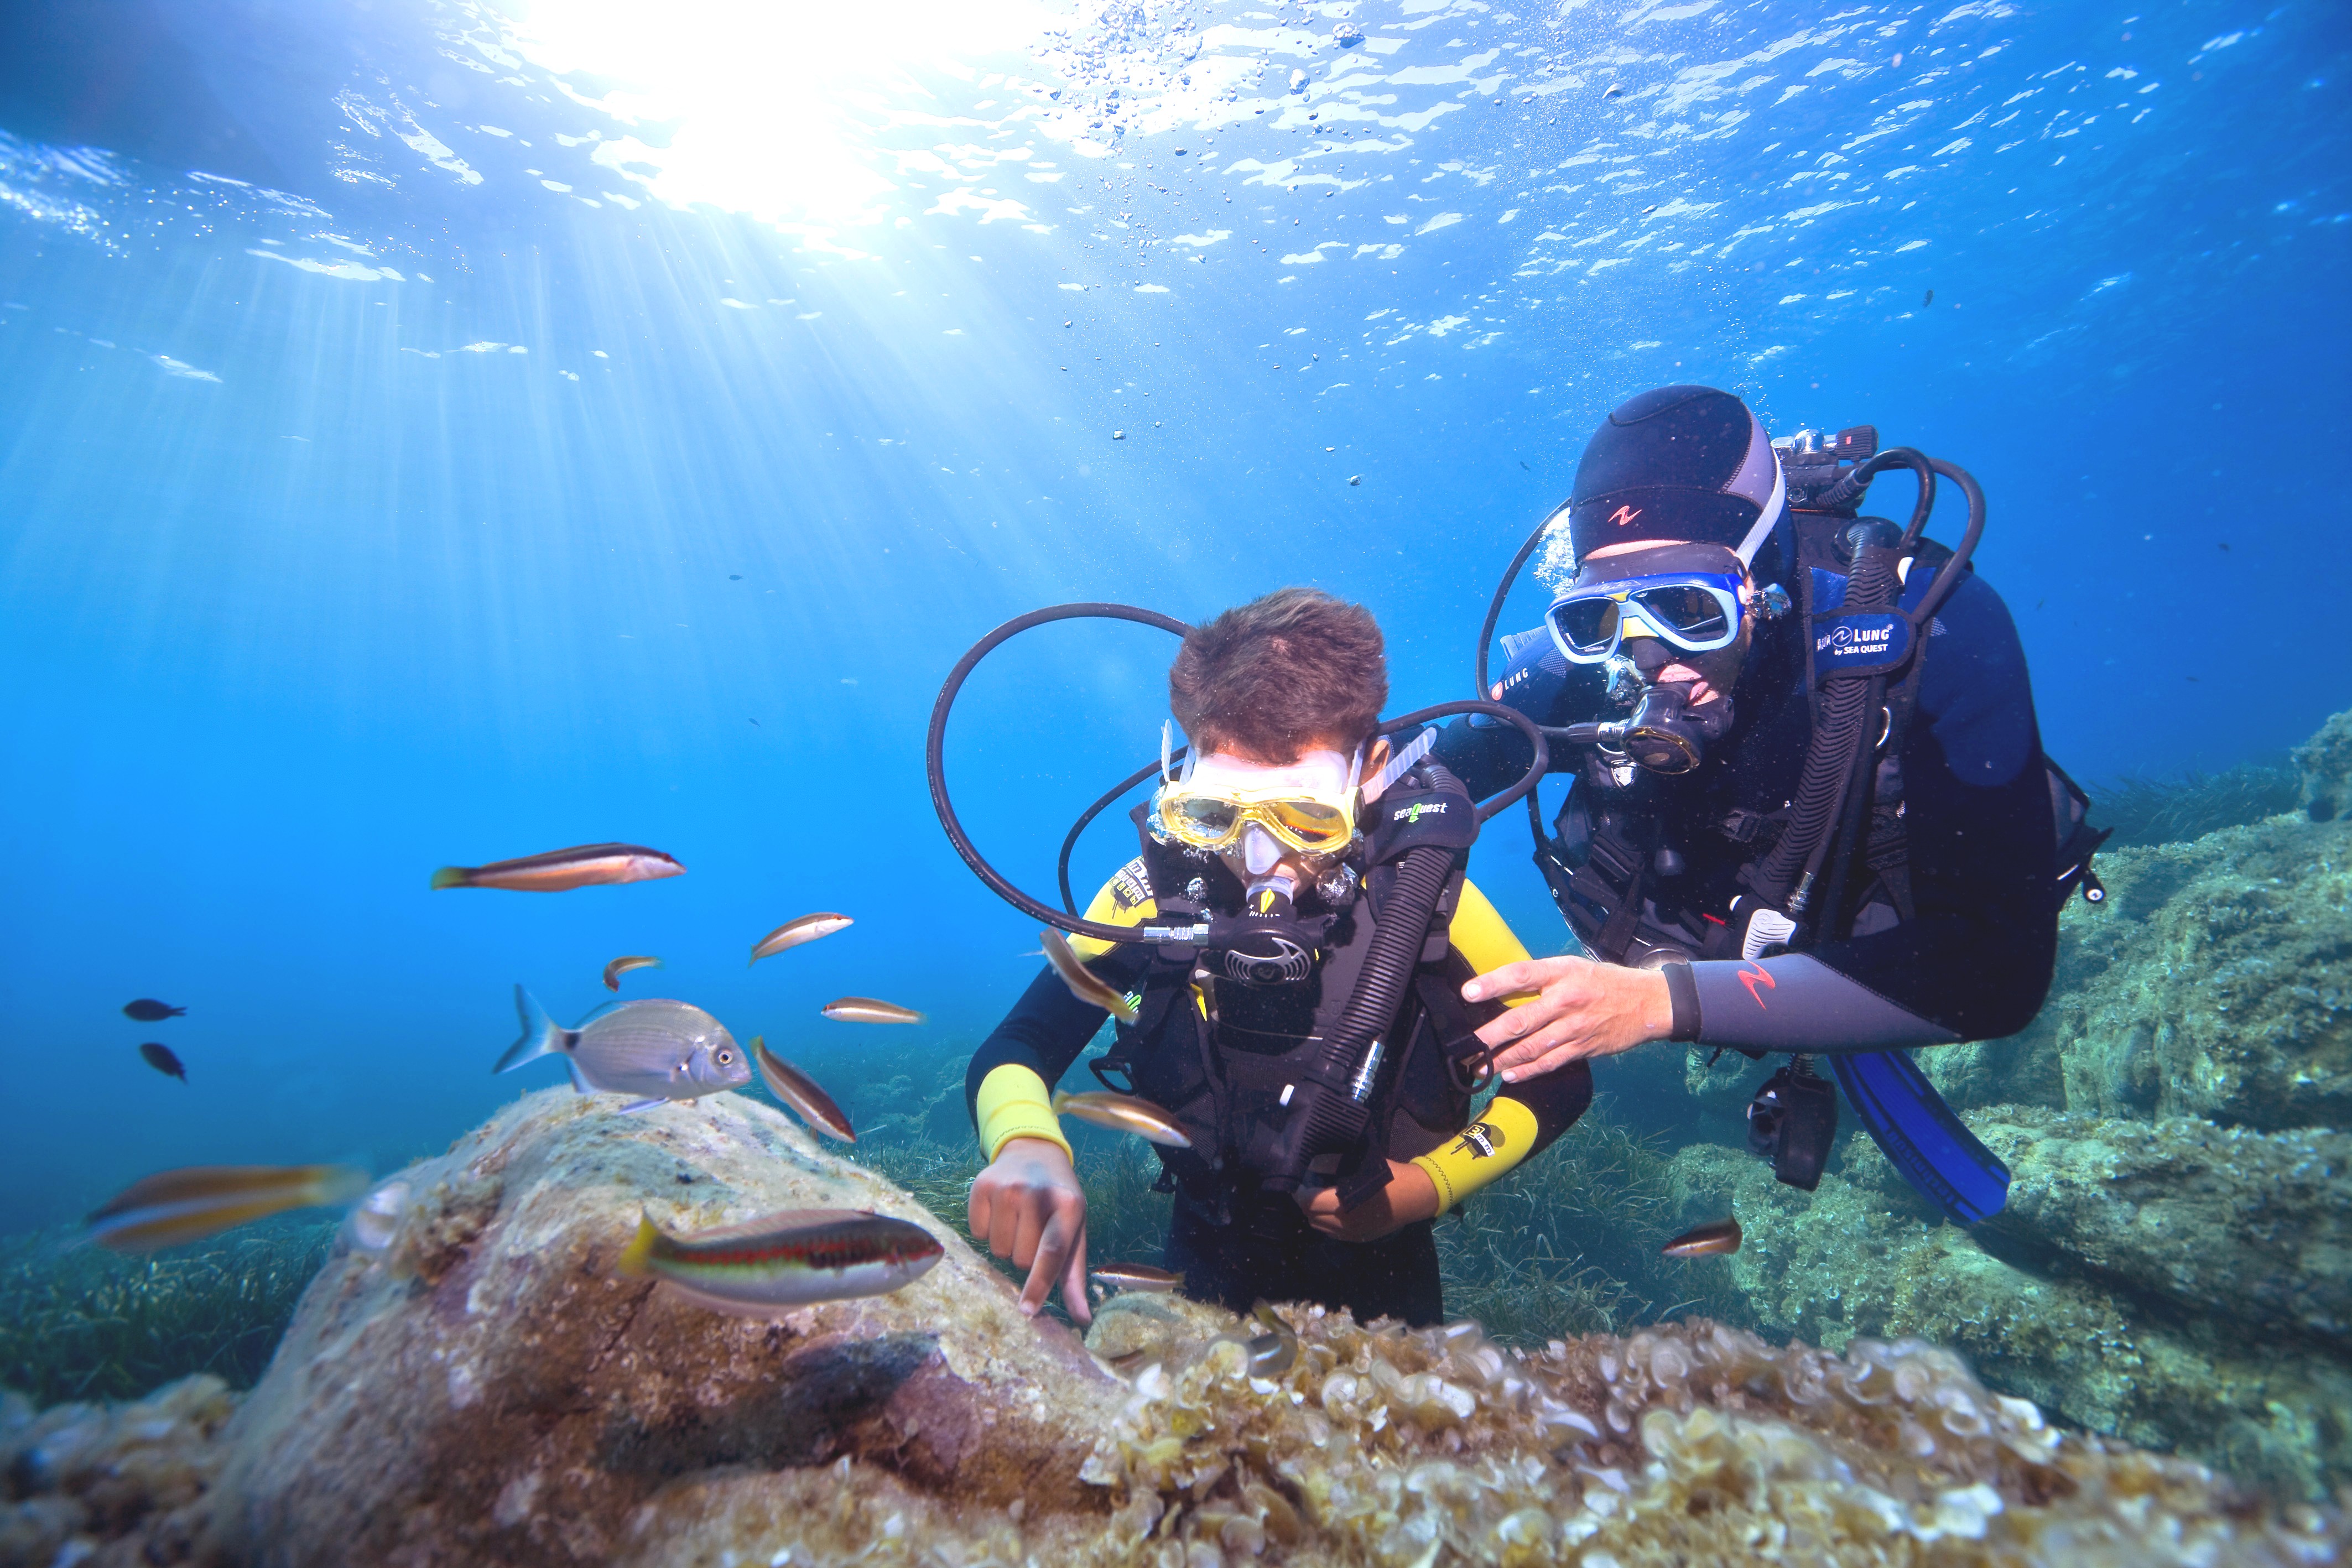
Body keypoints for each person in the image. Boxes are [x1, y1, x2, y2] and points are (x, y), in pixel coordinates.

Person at [1437, 386, 2079, 1216]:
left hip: (1862, 942)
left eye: (1689, 610)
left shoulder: (1930, 631)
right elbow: (1409, 779)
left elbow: (2000, 974)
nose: (1650, 657)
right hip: (1709, 933)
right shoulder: (1584, 672)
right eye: (1598, 619)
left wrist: (1662, 1004)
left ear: (1763, 583)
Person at [963, 588, 1591, 1327]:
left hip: (1387, 1274)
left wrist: (1429, 1186)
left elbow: (1560, 1080)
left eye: (1305, 819)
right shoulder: (1148, 898)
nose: (1261, 861)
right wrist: (1027, 1142)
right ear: (1180, 779)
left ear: (1370, 771)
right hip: (1204, 1250)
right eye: (1213, 815)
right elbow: (1021, 1043)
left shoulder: (1428, 901)